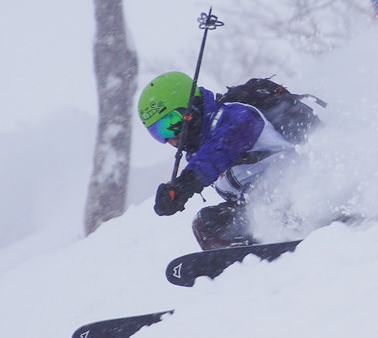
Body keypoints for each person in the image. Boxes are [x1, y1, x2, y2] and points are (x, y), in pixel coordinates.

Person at [137, 71, 319, 251]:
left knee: (266, 199)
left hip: (302, 188)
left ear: (191, 109)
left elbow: (218, 152)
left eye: (171, 123)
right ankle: (244, 260)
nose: (171, 138)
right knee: (207, 222)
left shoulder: (235, 117)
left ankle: (305, 227)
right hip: (266, 208)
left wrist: (184, 186)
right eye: (159, 133)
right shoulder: (198, 154)